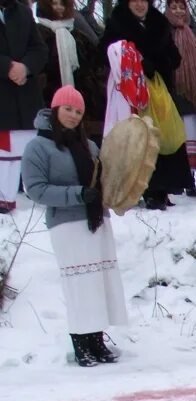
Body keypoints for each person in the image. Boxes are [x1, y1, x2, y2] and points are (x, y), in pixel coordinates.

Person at [21, 86, 126, 365]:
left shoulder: (89, 146)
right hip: (66, 224)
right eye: (68, 109)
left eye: (78, 111)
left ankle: (97, 340)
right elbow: (36, 189)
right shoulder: (38, 146)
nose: (73, 115)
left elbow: (105, 178)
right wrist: (77, 194)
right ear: (54, 109)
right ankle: (80, 343)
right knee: (80, 285)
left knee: (99, 283)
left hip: (95, 220)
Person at [102, 0, 191, 209]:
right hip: (130, 92)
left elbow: (174, 56)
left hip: (159, 89)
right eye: (135, 1)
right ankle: (145, 189)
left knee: (164, 135)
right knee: (140, 138)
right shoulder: (117, 23)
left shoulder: (159, 23)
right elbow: (105, 53)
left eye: (143, 1)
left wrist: (159, 63)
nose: (140, 5)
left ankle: (163, 187)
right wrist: (134, 63)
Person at [164, 0, 196, 198]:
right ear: (168, 9)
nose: (178, 11)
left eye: (182, 7)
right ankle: (188, 182)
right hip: (177, 94)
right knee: (185, 139)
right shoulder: (164, 32)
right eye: (174, 7)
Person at [1, 0, 49, 214]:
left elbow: (39, 48)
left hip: (24, 93)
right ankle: (4, 198)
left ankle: (32, 193)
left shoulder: (23, 12)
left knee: (25, 147)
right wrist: (7, 67)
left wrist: (25, 67)